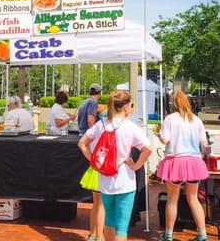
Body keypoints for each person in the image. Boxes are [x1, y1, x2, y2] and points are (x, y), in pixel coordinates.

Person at [78, 90, 152, 241]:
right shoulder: (130, 127)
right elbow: (148, 148)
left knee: (109, 220)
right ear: (126, 107)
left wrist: (94, 161)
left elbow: (82, 143)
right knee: (122, 227)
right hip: (125, 180)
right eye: (131, 104)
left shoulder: (101, 125)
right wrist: (136, 166)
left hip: (105, 181)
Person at [157, 91, 209, 241]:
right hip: (193, 162)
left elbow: (165, 140)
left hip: (175, 161)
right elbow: (204, 146)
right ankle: (202, 234)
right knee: (193, 198)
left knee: (172, 199)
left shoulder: (170, 119)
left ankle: (168, 235)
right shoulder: (196, 120)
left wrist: (159, 136)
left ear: (173, 104)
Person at [78, 83, 104, 241]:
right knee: (101, 204)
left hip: (86, 144)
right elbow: (90, 121)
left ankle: (93, 234)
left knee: (96, 203)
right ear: (99, 93)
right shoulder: (93, 104)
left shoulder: (83, 102)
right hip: (94, 151)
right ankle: (98, 236)